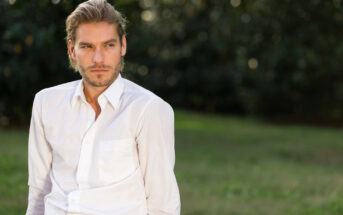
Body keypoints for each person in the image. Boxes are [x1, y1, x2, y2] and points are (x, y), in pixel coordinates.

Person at [25, 0, 181, 214]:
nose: (98, 59)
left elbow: (162, 202)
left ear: (123, 46)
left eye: (109, 45)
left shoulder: (148, 109)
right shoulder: (46, 103)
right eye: (87, 46)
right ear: (72, 49)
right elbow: (38, 191)